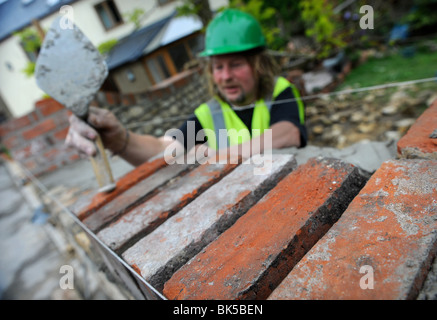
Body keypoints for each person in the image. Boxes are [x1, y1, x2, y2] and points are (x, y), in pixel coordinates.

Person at [66, 9, 307, 167]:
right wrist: (119, 140)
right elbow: (164, 149)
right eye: (218, 67)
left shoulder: (279, 91)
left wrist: (216, 157)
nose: (225, 76)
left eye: (235, 65)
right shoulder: (208, 114)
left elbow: (286, 133)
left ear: (258, 65)